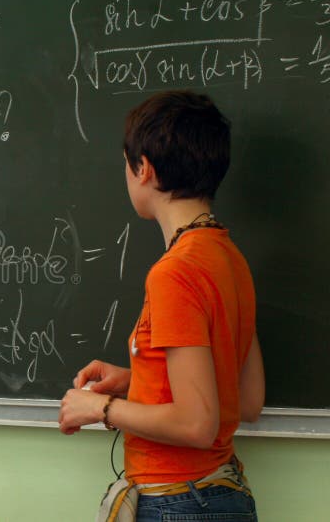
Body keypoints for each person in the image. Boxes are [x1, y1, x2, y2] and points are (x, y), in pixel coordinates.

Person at [58, 91, 265, 521]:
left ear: (144, 168)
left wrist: (100, 408)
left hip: (179, 503)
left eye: (126, 166)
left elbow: (195, 424)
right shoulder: (230, 259)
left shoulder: (175, 272)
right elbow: (244, 400)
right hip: (222, 496)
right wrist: (137, 380)